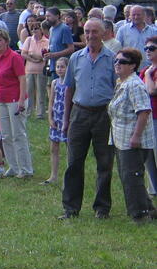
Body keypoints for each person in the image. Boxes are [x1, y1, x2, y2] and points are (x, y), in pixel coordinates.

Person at [59, 19, 116, 220]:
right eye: (87, 31)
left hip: (104, 114)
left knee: (105, 162)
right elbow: (69, 88)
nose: (91, 35)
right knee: (74, 162)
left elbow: (117, 90)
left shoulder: (112, 59)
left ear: (103, 33)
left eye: (95, 31)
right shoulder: (76, 58)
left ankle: (102, 208)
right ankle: (71, 208)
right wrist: (66, 119)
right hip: (79, 113)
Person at [107, 48, 156, 223]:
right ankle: (149, 209)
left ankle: (140, 214)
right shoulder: (122, 82)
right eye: (116, 61)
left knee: (132, 177)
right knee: (126, 174)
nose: (117, 64)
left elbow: (143, 112)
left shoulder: (134, 85)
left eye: (123, 62)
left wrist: (136, 137)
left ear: (133, 66)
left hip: (133, 140)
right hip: (120, 138)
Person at [0, 28, 33, 178]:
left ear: (6, 41)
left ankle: (25, 169)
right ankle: (13, 166)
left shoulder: (14, 57)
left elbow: (22, 78)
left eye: (0, 40)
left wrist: (21, 100)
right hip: (2, 100)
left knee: (18, 134)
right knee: (5, 135)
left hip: (15, 99)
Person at [44, 57, 70, 185]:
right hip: (56, 117)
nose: (59, 69)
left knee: (69, 147)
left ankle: (69, 176)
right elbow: (51, 101)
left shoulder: (70, 83)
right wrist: (50, 118)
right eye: (58, 66)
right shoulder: (54, 82)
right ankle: (53, 175)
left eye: (62, 66)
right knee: (54, 147)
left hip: (66, 118)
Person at [21, 18, 49, 118]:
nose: (34, 31)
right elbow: (23, 53)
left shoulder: (46, 41)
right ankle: (28, 112)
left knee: (41, 92)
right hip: (29, 70)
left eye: (36, 29)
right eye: (32, 29)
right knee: (29, 92)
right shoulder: (29, 40)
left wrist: (36, 57)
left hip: (41, 70)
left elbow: (46, 54)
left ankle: (40, 113)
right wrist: (33, 59)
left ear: (41, 30)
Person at [44, 7, 76, 77]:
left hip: (63, 68)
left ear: (57, 16)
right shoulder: (51, 29)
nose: (46, 18)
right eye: (46, 16)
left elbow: (71, 48)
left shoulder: (64, 28)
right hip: (53, 66)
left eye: (49, 16)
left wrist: (54, 54)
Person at [142, 45, 157, 196]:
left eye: (152, 48)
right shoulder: (146, 70)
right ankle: (153, 188)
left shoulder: (147, 72)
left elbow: (152, 90)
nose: (148, 50)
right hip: (146, 116)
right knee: (148, 155)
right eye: (146, 48)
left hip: (156, 115)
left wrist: (147, 74)